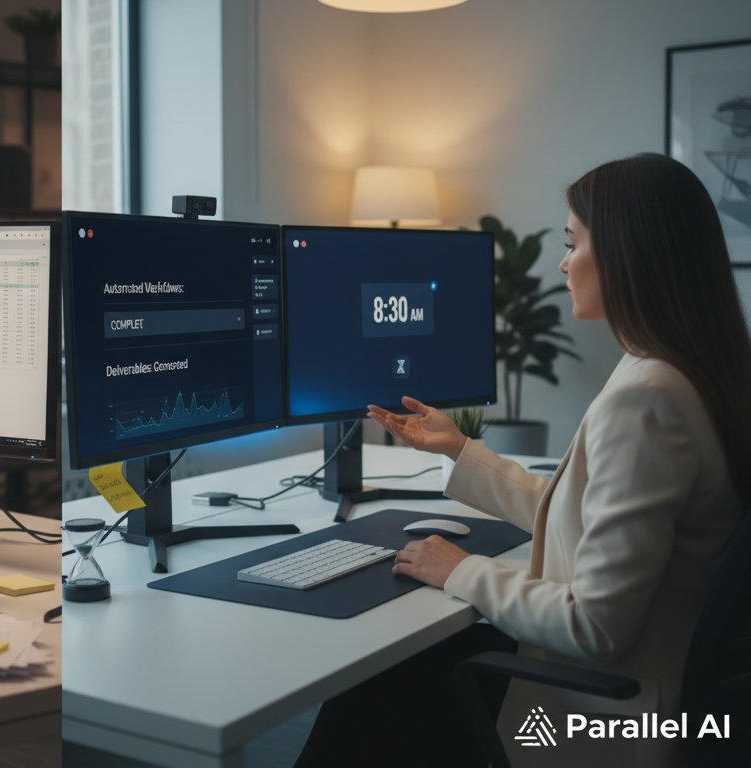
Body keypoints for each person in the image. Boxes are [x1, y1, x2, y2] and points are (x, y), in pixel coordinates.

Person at [298, 153, 751, 768]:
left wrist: (460, 568)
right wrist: (460, 451)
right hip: (665, 704)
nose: (563, 263)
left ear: (629, 253)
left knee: (368, 701)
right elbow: (585, 512)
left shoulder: (646, 401)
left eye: (573, 243)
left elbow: (593, 625)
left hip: (608, 724)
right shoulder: (685, 374)